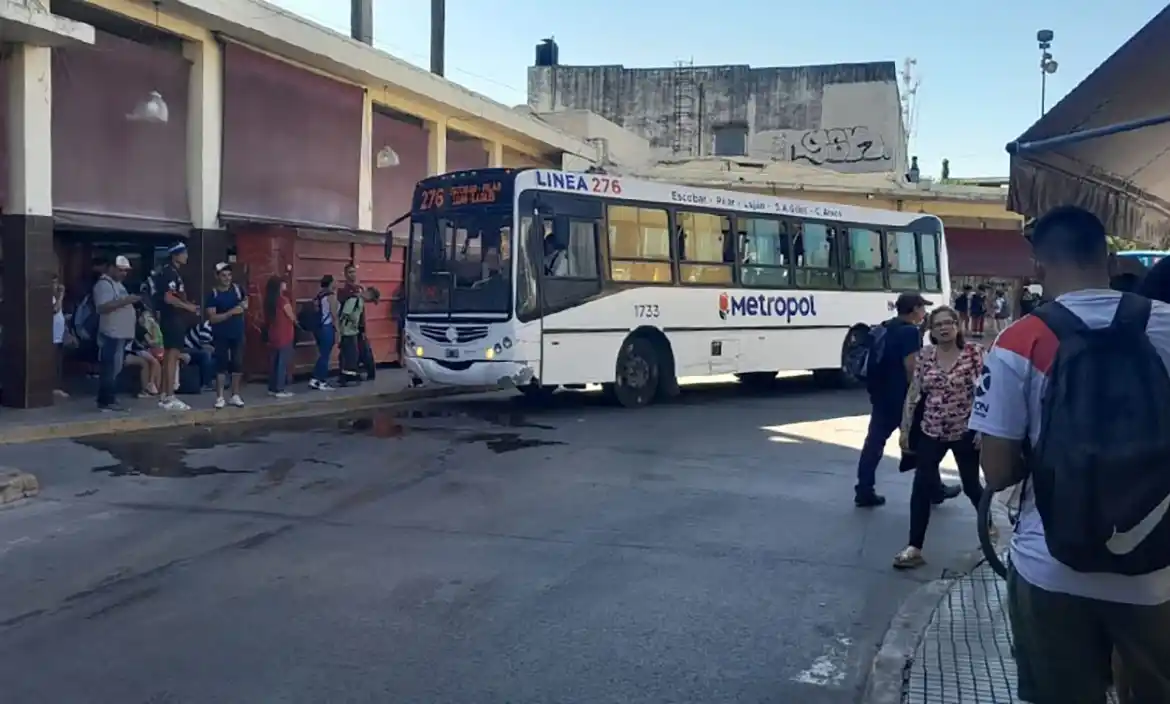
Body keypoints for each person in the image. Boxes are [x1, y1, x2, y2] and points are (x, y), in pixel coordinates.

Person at [970, 205, 1170, 703]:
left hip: (1050, 566)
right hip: (1158, 568)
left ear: (1037, 265)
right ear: (1109, 254)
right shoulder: (1167, 326)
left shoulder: (1018, 341)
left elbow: (996, 470)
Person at [893, 305, 988, 569]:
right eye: (938, 325)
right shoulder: (925, 356)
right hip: (931, 430)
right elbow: (915, 393)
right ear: (931, 331)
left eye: (949, 323)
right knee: (921, 486)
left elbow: (987, 393)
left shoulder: (975, 353)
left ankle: (989, 531)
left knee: (971, 485)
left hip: (965, 431)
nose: (944, 328)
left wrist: (983, 429)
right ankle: (914, 547)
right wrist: (905, 429)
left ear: (958, 326)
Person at [854, 291, 960, 507]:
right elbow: (911, 367)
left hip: (881, 396)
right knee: (925, 444)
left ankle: (864, 489)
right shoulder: (910, 333)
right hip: (902, 398)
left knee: (874, 443)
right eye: (922, 308)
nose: (925, 313)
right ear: (914, 310)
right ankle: (934, 490)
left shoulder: (885, 326)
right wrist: (921, 394)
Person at [150, 243, 199, 411]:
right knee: (172, 356)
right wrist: (188, 307)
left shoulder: (172, 272)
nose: (186, 256)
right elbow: (168, 298)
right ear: (175, 255)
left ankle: (165, 393)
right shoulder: (169, 273)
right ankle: (170, 395)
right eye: (183, 253)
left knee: (171, 356)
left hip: (173, 317)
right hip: (171, 318)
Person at [92, 256, 139, 412]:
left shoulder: (118, 285)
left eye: (126, 271)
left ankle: (110, 398)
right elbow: (102, 307)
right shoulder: (103, 285)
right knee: (109, 368)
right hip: (111, 334)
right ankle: (106, 400)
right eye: (120, 270)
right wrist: (127, 300)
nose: (123, 274)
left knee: (116, 368)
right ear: (111, 268)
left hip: (121, 334)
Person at [205, 263, 247, 408]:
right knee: (221, 365)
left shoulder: (237, 289)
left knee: (237, 363)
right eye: (223, 275)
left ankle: (235, 395)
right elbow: (212, 317)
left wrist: (243, 306)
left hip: (237, 331)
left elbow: (245, 302)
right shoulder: (213, 294)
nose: (227, 278)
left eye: (229, 275)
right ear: (217, 276)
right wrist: (230, 313)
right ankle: (220, 397)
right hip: (221, 333)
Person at [338, 263, 376, 381]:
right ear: (345, 274)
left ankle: (360, 372)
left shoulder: (359, 289)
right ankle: (349, 374)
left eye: (354, 271)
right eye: (350, 272)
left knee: (360, 350)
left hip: (358, 326)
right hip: (349, 326)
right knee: (349, 351)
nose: (352, 274)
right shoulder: (344, 291)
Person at [338, 286, 380, 387]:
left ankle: (347, 377)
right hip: (348, 331)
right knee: (350, 355)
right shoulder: (355, 300)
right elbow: (345, 314)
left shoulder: (359, 301)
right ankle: (347, 378)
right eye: (371, 299)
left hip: (352, 331)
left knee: (350, 355)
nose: (369, 302)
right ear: (369, 294)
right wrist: (352, 322)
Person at [263, 276, 296, 398]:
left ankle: (272, 388)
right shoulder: (283, 300)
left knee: (274, 363)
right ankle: (280, 389)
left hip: (273, 334)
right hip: (285, 334)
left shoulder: (268, 301)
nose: (285, 284)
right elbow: (291, 317)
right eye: (283, 283)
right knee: (282, 363)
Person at [310, 275, 336, 391]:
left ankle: (315, 378)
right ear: (331, 283)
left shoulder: (319, 296)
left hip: (318, 328)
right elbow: (334, 315)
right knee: (325, 355)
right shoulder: (331, 296)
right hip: (327, 327)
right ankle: (322, 381)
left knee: (322, 354)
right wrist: (338, 331)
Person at [51, 273, 68, 398]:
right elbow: (55, 309)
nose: (56, 286)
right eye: (53, 283)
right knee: (53, 361)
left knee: (58, 360)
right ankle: (53, 386)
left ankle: (56, 386)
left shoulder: (53, 296)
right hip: (52, 335)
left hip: (58, 333)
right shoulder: (50, 297)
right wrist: (61, 296)